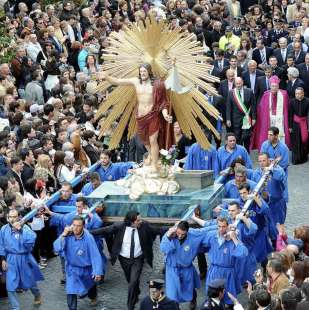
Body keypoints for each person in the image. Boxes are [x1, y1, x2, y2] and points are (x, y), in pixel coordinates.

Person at [98, 63, 173, 172]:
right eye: (141, 71)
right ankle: (153, 158)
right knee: (145, 141)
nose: (142, 73)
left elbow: (163, 103)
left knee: (153, 140)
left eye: (144, 71)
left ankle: (154, 164)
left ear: (149, 72)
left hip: (153, 115)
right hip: (141, 117)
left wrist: (165, 115)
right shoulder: (135, 81)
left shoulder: (157, 84)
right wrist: (107, 77)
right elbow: (118, 81)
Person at [90, 211, 166, 310]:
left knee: (133, 282)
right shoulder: (119, 226)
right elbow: (104, 230)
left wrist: (173, 230)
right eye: (138, 220)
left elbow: (159, 230)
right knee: (131, 280)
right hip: (124, 259)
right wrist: (86, 232)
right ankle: (136, 291)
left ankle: (130, 306)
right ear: (131, 222)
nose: (140, 221)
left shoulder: (145, 225)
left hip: (138, 259)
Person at [53, 216, 103, 310]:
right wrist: (63, 234)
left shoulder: (88, 238)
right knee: (70, 290)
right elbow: (56, 248)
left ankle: (93, 296)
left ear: (83, 226)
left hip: (86, 269)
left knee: (90, 285)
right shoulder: (67, 234)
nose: (76, 228)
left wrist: (97, 271)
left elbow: (95, 255)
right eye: (74, 225)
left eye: (78, 226)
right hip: (72, 269)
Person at [0, 209, 43, 309]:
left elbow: (31, 240)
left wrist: (21, 229)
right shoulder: (3, 230)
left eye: (14, 217)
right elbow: (1, 245)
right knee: (10, 286)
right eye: (10, 217)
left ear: (19, 217)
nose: (12, 219)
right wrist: (2, 259)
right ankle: (16, 308)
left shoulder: (25, 228)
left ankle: (37, 294)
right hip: (10, 259)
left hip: (24, 258)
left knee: (30, 282)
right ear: (7, 218)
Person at [160, 221, 207, 308]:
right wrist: (168, 235)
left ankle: (193, 299)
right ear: (176, 229)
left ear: (187, 232)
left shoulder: (193, 234)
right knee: (172, 294)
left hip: (186, 268)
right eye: (178, 233)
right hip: (172, 269)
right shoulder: (169, 234)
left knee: (190, 287)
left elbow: (207, 230)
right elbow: (163, 248)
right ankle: (175, 307)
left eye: (183, 234)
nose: (180, 236)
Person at [251, 75, 291, 151]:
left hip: (280, 119)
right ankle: (269, 150)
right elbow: (261, 108)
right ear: (270, 86)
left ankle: (280, 150)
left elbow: (287, 107)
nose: (274, 88)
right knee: (269, 134)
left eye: (276, 86)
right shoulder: (266, 94)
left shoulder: (284, 94)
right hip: (269, 118)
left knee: (280, 135)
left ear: (278, 86)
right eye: (272, 86)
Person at [251, 153, 287, 226]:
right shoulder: (256, 173)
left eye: (263, 161)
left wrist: (271, 169)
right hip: (264, 204)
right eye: (260, 161)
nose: (261, 163)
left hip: (277, 204)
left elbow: (280, 176)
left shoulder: (277, 168)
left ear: (268, 160)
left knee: (279, 227)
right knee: (266, 226)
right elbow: (253, 187)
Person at [226, 77, 256, 151]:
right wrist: (228, 119)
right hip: (236, 120)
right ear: (234, 84)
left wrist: (254, 118)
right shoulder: (231, 93)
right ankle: (238, 154)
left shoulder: (249, 91)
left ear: (242, 82)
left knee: (246, 138)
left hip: (247, 119)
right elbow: (229, 107)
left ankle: (246, 154)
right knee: (237, 138)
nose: (238, 85)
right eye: (237, 84)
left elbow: (253, 106)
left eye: (239, 83)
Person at [260, 126, 289, 202]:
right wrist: (274, 161)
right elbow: (262, 159)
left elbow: (284, 164)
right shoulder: (264, 145)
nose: (268, 137)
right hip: (266, 174)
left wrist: (272, 165)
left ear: (276, 136)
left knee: (281, 195)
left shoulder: (284, 147)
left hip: (279, 175)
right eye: (268, 134)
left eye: (271, 135)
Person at [289, 87, 309, 164]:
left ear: (303, 93)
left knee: (304, 141)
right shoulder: (292, 101)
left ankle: (303, 158)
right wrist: (290, 126)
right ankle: (296, 159)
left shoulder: (307, 101)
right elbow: (290, 115)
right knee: (296, 141)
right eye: (296, 93)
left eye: (299, 93)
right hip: (295, 124)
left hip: (304, 123)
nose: (297, 95)